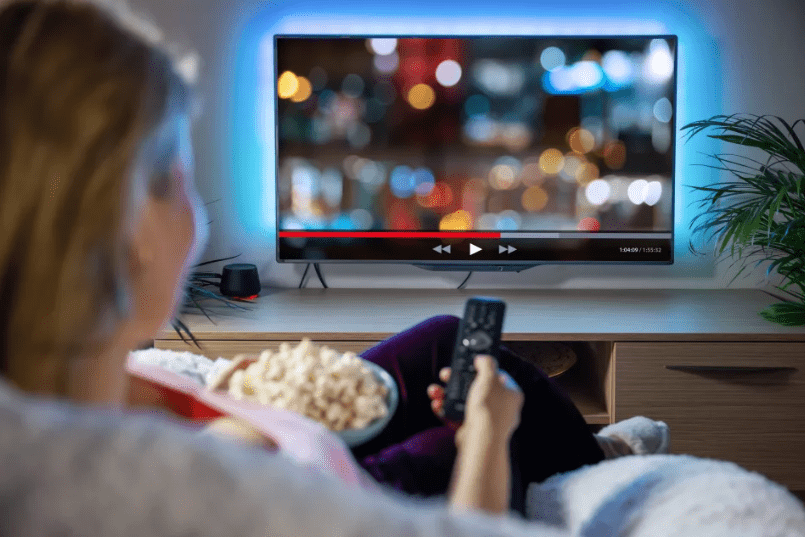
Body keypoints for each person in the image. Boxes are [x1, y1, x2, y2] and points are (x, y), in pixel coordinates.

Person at [0, 1, 659, 535]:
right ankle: (595, 460)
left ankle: (588, 450)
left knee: (446, 339)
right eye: (179, 176)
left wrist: (227, 398)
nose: (196, 211)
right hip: (325, 482)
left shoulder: (63, 384)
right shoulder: (173, 486)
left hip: (292, 453)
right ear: (130, 233)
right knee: (460, 437)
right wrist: (488, 434)